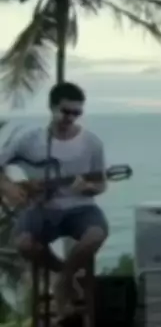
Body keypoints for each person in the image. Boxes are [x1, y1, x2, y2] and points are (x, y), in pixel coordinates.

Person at [0, 82, 109, 316]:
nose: (71, 118)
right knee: (24, 243)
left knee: (96, 235)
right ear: (52, 107)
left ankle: (62, 281)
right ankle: (64, 274)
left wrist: (88, 187)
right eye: (66, 111)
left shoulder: (92, 143)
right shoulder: (29, 140)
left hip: (80, 208)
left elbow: (101, 184)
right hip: (42, 209)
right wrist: (8, 187)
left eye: (77, 113)